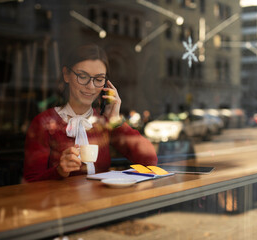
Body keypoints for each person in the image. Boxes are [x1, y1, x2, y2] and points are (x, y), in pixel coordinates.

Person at [23, 44, 158, 182]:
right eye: (82, 76)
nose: (91, 86)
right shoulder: (44, 123)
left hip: (101, 201)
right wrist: (59, 171)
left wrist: (115, 121)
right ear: (66, 75)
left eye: (99, 79)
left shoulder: (103, 122)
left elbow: (149, 159)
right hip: (60, 203)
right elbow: (30, 182)